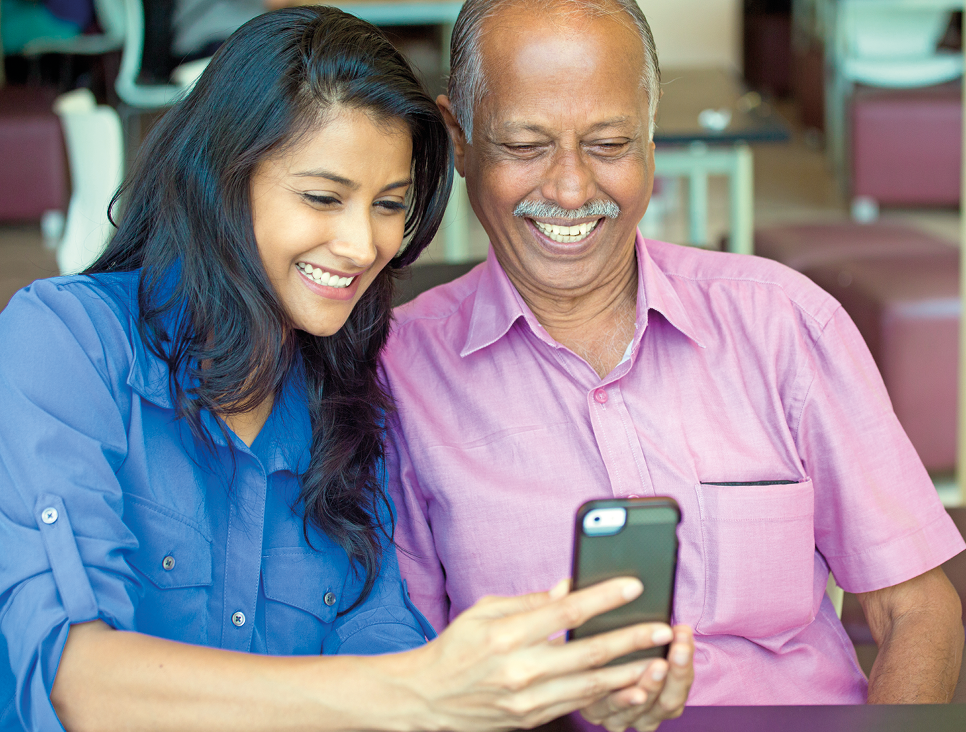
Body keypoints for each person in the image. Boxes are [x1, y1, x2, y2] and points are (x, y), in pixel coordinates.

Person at [0, 7, 691, 731]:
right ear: (221, 181)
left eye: (389, 205)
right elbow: (70, 680)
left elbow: (385, 649)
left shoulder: (350, 408)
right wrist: (413, 689)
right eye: (322, 198)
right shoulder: (65, 342)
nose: (363, 244)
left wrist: (542, 684)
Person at [382, 0, 966, 708]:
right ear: (461, 140)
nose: (570, 189)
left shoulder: (781, 323)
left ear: (652, 142)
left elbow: (918, 609)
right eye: (526, 146)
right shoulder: (397, 375)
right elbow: (403, 666)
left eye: (609, 144)